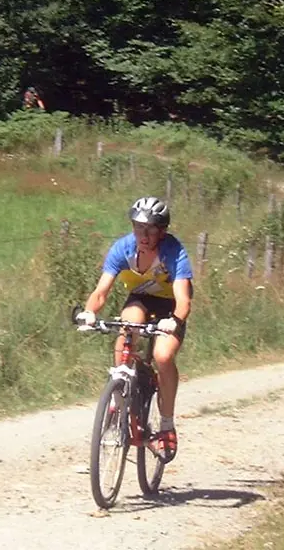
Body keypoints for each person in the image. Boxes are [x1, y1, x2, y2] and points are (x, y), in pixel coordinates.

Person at [75, 197, 193, 463]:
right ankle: (120, 395)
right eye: (138, 227)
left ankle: (165, 424)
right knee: (126, 329)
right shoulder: (123, 249)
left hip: (170, 307)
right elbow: (101, 291)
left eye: (150, 228)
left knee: (163, 357)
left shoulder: (174, 252)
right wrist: (89, 312)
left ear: (162, 231)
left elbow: (184, 299)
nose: (143, 234)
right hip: (140, 299)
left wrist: (174, 320)